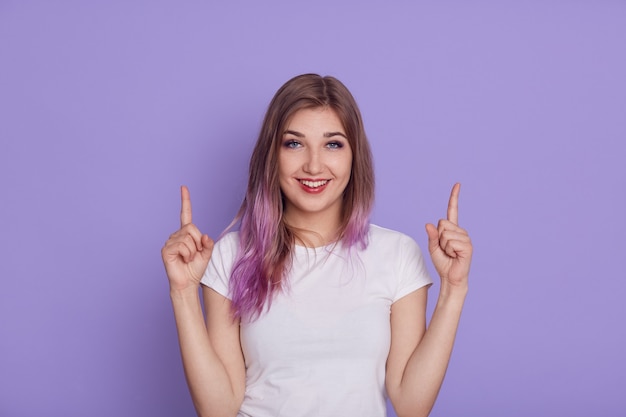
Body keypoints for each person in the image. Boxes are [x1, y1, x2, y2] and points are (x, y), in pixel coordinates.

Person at [161, 74, 473, 417]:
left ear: (355, 156)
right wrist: (183, 291)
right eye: (294, 143)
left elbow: (412, 406)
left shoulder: (397, 254)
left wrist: (453, 290)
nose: (313, 164)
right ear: (272, 155)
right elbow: (218, 409)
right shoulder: (230, 255)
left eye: (333, 144)